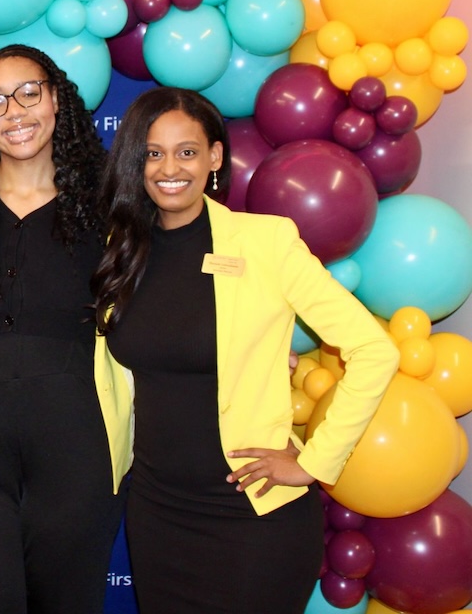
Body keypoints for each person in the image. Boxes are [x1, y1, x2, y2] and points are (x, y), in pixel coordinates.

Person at [91, 86, 399, 613]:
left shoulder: (267, 242)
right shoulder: (122, 252)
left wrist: (317, 461)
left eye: (187, 151)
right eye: (153, 152)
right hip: (158, 510)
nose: (171, 167)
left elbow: (375, 350)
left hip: (252, 516)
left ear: (214, 157)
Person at [0, 44, 130, 613]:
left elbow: (171, 295)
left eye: (28, 93)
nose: (14, 112)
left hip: (77, 429)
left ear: (57, 97)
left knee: (68, 599)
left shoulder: (110, 206)